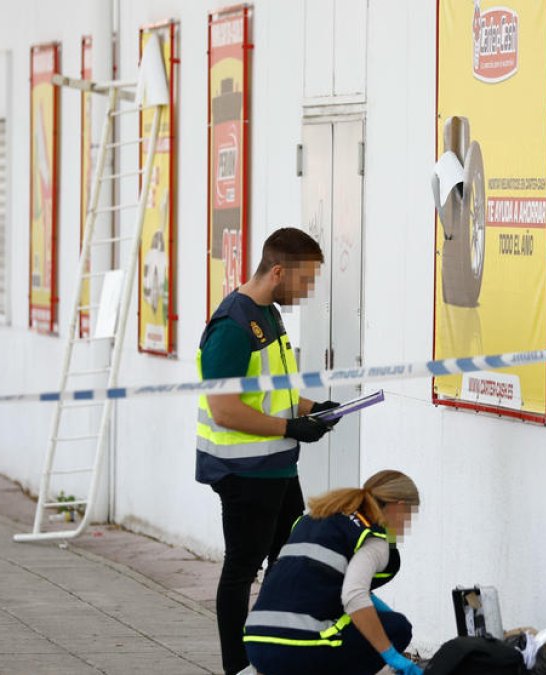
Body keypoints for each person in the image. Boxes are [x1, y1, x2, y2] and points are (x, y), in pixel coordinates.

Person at [195, 227, 341, 675]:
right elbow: (225, 410)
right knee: (242, 570)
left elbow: (275, 393)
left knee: (287, 563)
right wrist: (289, 426)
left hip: (277, 468)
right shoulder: (232, 327)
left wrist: (315, 410)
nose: (310, 290)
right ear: (278, 271)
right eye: (306, 279)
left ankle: (275, 655)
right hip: (244, 474)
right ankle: (237, 667)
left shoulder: (269, 316)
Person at [242, 470, 423, 675]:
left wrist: (379, 610)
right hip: (297, 649)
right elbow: (354, 597)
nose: (407, 524)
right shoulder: (373, 539)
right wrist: (392, 656)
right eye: (410, 514)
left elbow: (323, 584)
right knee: (396, 628)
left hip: (256, 644)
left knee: (373, 620)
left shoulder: (315, 518)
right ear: (398, 507)